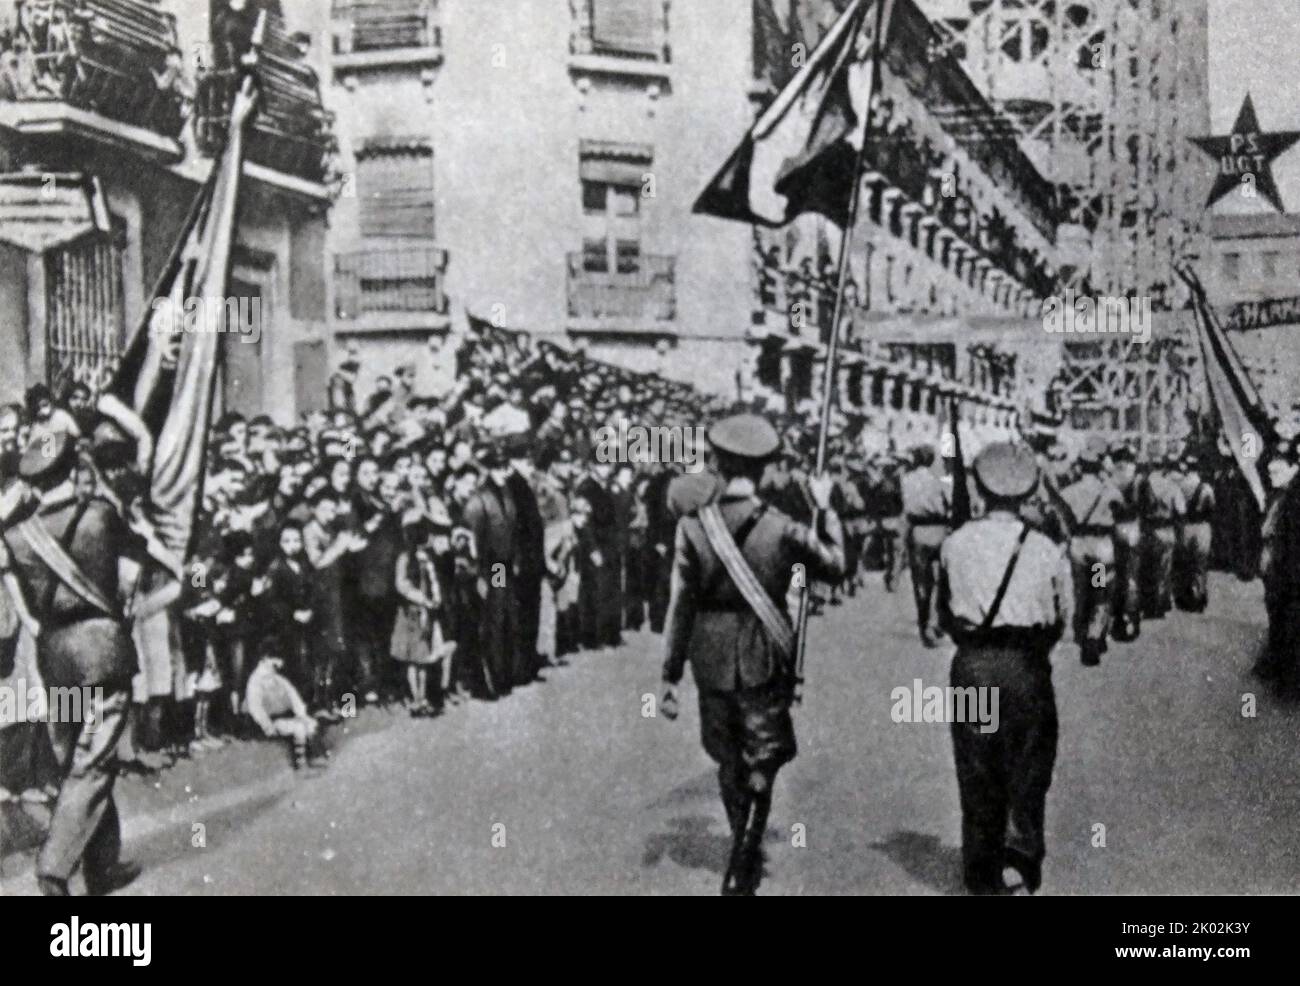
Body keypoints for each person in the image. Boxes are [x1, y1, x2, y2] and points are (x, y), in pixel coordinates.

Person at [660, 413, 844, 896]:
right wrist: (827, 509)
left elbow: (680, 605)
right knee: (762, 758)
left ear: (718, 463)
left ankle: (742, 845)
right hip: (765, 651)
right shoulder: (784, 528)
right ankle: (745, 854)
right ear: (764, 470)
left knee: (727, 759)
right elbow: (835, 567)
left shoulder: (693, 527)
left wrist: (669, 675)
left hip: (709, 655)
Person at [3, 433, 149, 896]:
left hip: (56, 658)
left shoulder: (15, 535)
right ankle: (54, 868)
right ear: (72, 469)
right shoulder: (104, 515)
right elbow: (131, 579)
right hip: (102, 653)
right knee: (94, 763)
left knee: (79, 765)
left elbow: (23, 604)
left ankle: (102, 869)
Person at [937, 442, 1075, 895]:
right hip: (1027, 666)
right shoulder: (1046, 549)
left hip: (974, 665)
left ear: (978, 487)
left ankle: (981, 872)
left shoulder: (954, 544)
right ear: (1029, 491)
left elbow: (944, 616)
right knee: (1029, 767)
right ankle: (1018, 862)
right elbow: (1061, 618)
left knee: (977, 769)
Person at [1058, 436, 1123, 666]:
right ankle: (1094, 636)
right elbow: (1121, 513)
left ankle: (1080, 632)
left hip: (1078, 546)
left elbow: (1062, 520)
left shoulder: (1068, 492)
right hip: (1100, 547)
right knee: (1100, 592)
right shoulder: (1109, 491)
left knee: (1080, 590)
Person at [900, 444, 951, 646]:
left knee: (920, 581)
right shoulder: (937, 480)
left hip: (917, 531)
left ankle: (924, 624)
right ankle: (934, 621)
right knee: (940, 579)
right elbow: (949, 504)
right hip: (938, 530)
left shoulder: (906, 480)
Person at [244, 648, 327, 771]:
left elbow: (293, 697)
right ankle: (301, 764)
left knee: (311, 724)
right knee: (299, 728)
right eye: (276, 659)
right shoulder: (256, 681)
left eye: (280, 659)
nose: (280, 663)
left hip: (286, 716)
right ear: (265, 658)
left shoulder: (278, 678)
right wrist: (267, 726)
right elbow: (255, 707)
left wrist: (302, 714)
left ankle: (315, 756)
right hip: (270, 721)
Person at [1174, 453, 1215, 613]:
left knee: (1185, 563)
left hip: (1186, 526)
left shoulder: (1181, 485)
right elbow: (1212, 506)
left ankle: (1184, 597)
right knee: (1200, 564)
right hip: (1202, 527)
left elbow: (1177, 508)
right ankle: (1198, 596)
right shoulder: (1206, 488)